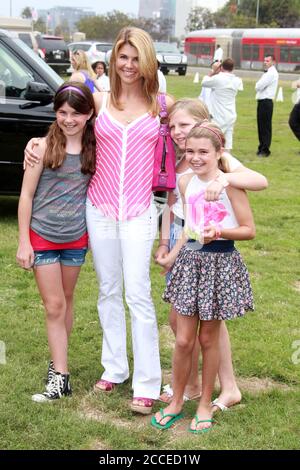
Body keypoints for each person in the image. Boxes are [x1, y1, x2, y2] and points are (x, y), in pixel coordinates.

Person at [24, 27, 175, 414]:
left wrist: (219, 170)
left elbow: (194, 135)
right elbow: (66, 116)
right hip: (100, 209)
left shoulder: (162, 104)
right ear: (113, 60)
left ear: (147, 60)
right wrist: (35, 143)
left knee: (137, 294)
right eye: (122, 57)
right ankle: (114, 368)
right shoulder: (100, 99)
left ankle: (147, 381)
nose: (128, 65)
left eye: (135, 57)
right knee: (108, 291)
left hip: (140, 211)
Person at [156, 98, 267, 410]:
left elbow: (260, 182)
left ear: (204, 126)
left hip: (215, 248)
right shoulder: (183, 167)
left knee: (208, 323)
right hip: (187, 245)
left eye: (185, 126)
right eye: (173, 126)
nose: (178, 132)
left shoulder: (222, 163)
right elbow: (172, 209)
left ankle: (223, 386)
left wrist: (226, 179)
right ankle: (190, 385)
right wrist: (168, 246)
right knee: (182, 323)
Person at [17, 82, 96, 402]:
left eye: (76, 113)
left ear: (89, 114)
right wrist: (24, 241)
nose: (68, 119)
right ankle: (61, 378)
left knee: (66, 300)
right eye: (62, 112)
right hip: (43, 236)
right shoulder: (41, 147)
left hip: (75, 238)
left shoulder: (96, 147)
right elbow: (26, 195)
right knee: (53, 306)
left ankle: (57, 360)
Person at [201, 58, 243, 150]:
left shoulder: (218, 78)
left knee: (215, 137)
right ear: (233, 68)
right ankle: (227, 157)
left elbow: (204, 83)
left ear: (221, 67)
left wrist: (212, 73)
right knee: (228, 138)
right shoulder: (237, 80)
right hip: (231, 113)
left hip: (218, 113)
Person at [255, 55, 279, 157]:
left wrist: (258, 85)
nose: (265, 62)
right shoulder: (268, 72)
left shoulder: (271, 73)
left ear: (273, 62)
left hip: (266, 102)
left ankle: (265, 149)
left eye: (267, 60)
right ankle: (261, 147)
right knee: (261, 126)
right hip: (262, 101)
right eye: (264, 60)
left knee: (265, 127)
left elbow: (258, 86)